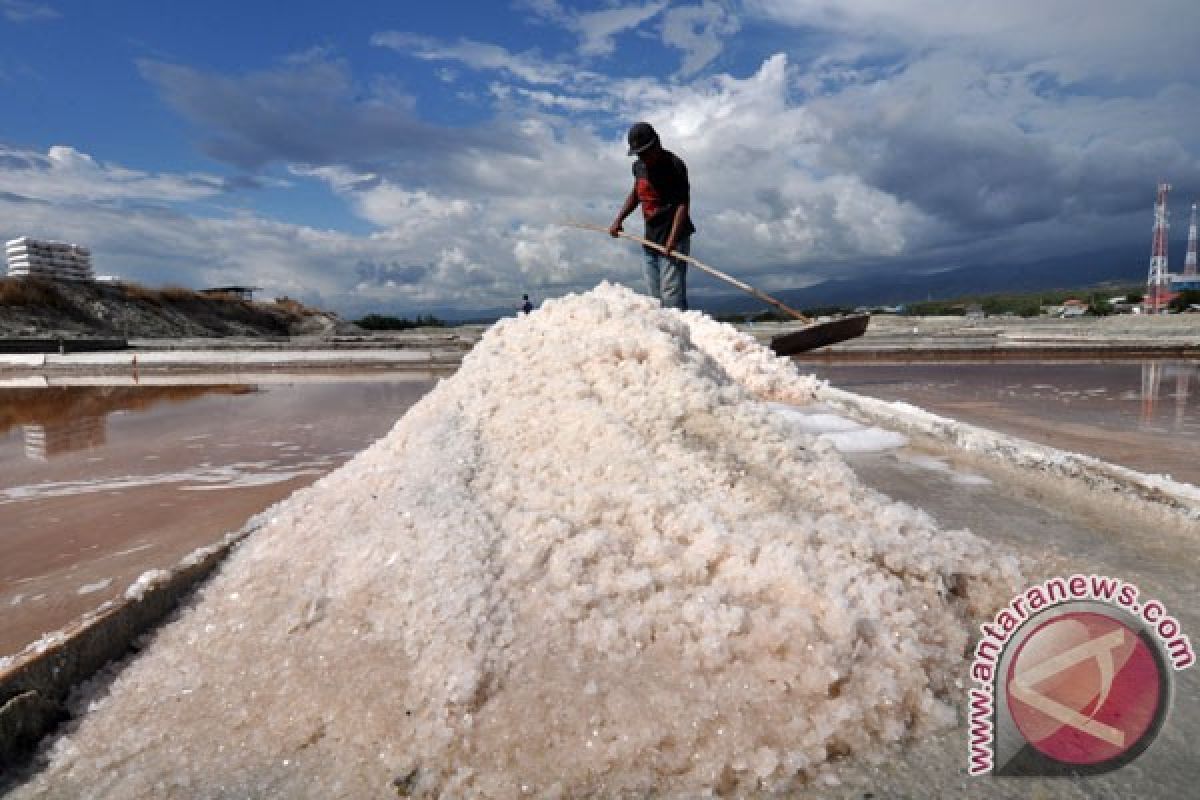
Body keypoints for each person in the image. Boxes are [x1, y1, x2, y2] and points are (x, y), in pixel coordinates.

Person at [608, 122, 696, 310]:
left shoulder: (675, 166)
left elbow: (682, 204)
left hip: (674, 239)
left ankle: (678, 336)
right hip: (651, 239)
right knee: (655, 298)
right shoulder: (638, 167)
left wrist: (672, 241)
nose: (643, 157)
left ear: (657, 144)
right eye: (639, 153)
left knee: (671, 295)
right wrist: (618, 220)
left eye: (646, 152)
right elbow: (636, 194)